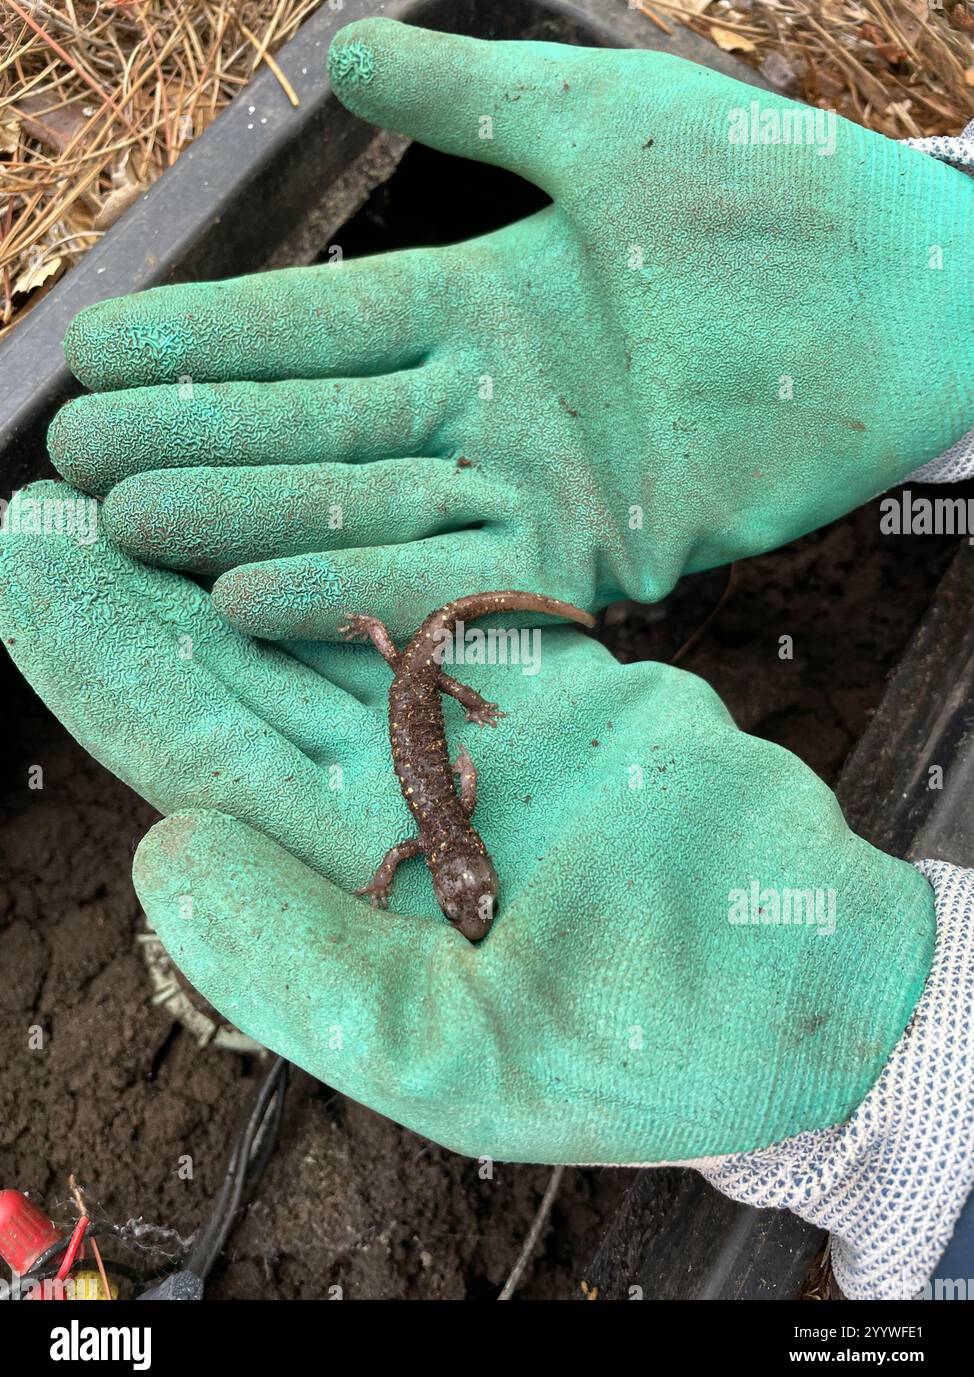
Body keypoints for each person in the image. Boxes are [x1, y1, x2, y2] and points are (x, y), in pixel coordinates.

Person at [4, 19, 974, 1300]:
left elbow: (430, 794)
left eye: (463, 897)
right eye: (470, 896)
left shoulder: (445, 825)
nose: (470, 898)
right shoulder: (442, 827)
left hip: (427, 682)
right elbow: (427, 791)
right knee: (387, 654)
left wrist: (914, 1102)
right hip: (418, 681)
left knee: (403, 656)